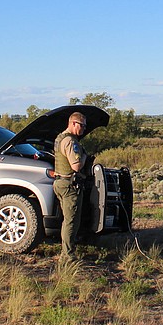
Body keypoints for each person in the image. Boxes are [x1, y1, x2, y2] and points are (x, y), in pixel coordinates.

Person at [53, 111, 89, 258]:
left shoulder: (60, 138)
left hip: (60, 183)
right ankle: (68, 256)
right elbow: (76, 166)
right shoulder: (70, 141)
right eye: (82, 126)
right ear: (74, 123)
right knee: (71, 221)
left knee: (68, 220)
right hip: (69, 186)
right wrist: (85, 156)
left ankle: (68, 250)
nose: (84, 129)